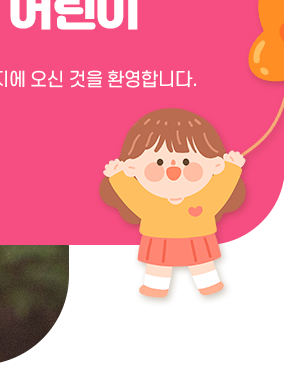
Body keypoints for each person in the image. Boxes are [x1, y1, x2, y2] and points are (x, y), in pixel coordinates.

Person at [101, 108, 246, 298]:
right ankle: (155, 289)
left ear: (214, 165)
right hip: (161, 239)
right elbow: (132, 195)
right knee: (158, 269)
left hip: (195, 237)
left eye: (186, 161)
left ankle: (210, 288)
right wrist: (118, 177)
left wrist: (232, 169)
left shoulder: (204, 199)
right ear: (132, 167)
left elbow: (221, 190)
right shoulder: (150, 204)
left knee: (202, 266)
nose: (173, 170)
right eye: (159, 162)